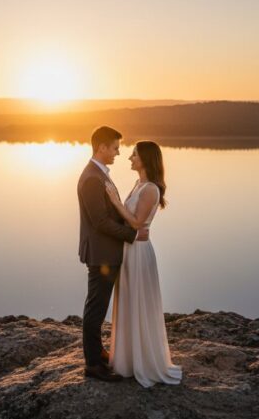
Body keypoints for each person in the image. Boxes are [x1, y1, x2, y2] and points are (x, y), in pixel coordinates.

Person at [104, 140, 182, 387]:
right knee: (128, 300)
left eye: (134, 154)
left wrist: (115, 201)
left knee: (138, 300)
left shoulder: (150, 189)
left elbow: (137, 223)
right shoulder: (139, 184)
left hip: (138, 251)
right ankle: (127, 358)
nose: (129, 158)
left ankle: (143, 361)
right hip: (129, 250)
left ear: (146, 159)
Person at [77, 126, 149, 382]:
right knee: (95, 308)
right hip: (101, 254)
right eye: (116, 148)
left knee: (98, 306)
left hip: (106, 252)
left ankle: (98, 353)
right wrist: (132, 235)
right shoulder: (92, 178)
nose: (119, 153)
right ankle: (93, 365)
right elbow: (99, 222)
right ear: (102, 147)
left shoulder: (99, 174)